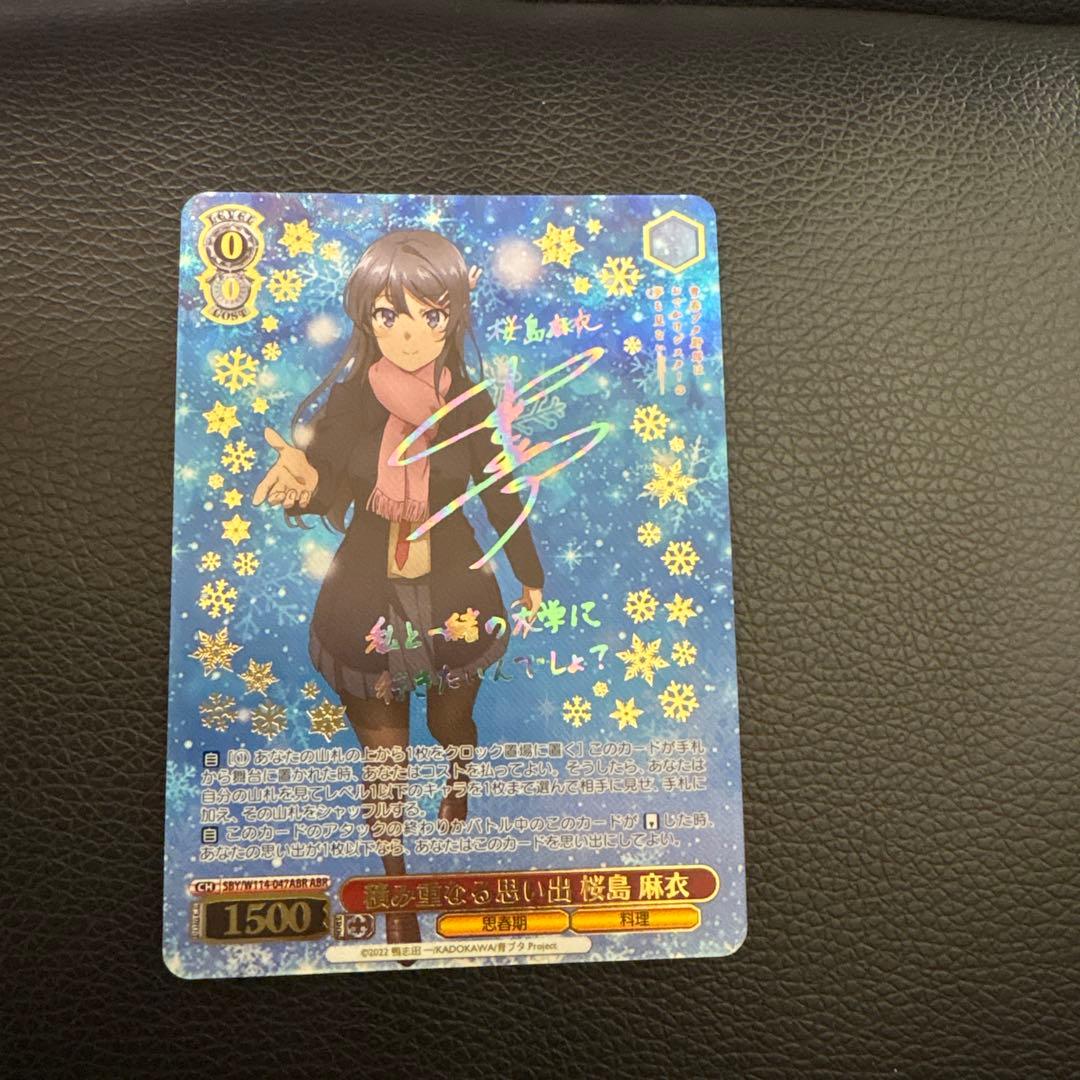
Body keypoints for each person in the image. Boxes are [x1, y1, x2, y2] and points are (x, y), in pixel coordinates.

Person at [252, 229, 544, 953]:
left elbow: (501, 491)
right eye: (389, 314)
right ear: (368, 318)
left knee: (450, 726)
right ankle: (397, 891)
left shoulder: (468, 402)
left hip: (453, 599)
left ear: (452, 318)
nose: (408, 333)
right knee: (385, 763)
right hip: (365, 602)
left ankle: (458, 780)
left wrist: (531, 573)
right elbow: (325, 478)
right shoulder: (353, 399)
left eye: (429, 315)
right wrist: (305, 482)